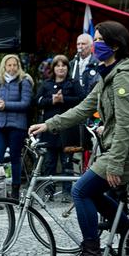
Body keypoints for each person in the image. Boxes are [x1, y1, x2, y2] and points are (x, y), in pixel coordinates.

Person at [28, 21, 129, 256]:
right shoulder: (109, 76)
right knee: (92, 192)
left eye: (99, 40)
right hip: (122, 149)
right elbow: (83, 108)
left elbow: (126, 127)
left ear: (115, 45)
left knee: (80, 191)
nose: (94, 45)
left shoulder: (124, 79)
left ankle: (92, 253)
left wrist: (116, 164)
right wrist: (48, 124)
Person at [35, 54, 84, 196]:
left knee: (67, 162)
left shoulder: (73, 83)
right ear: (53, 68)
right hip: (49, 129)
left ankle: (67, 192)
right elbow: (36, 101)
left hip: (68, 129)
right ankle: (49, 191)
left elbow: (82, 100)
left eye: (63, 65)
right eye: (58, 65)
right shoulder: (46, 84)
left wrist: (64, 99)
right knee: (49, 162)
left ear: (67, 68)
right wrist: (52, 100)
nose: (61, 68)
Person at [0, 55, 34, 199]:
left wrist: (5, 105)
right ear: (4, 66)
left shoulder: (24, 82)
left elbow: (26, 104)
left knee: (15, 157)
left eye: (15, 65)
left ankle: (15, 190)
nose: (12, 68)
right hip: (0, 125)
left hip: (17, 125)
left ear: (18, 66)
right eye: (9, 65)